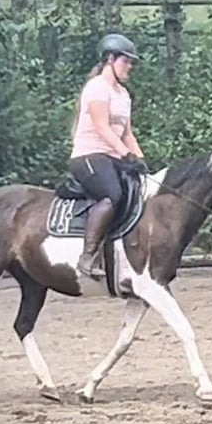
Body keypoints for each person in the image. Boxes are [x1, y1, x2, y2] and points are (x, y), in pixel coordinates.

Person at [68, 33, 149, 278]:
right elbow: (102, 126)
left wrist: (140, 160)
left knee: (141, 192)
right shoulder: (96, 89)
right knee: (112, 194)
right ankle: (88, 256)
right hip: (89, 156)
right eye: (126, 61)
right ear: (110, 59)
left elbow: (128, 134)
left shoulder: (123, 95)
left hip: (114, 158)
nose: (130, 67)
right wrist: (126, 155)